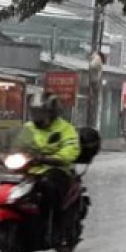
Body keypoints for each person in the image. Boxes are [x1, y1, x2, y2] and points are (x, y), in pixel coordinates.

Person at [16, 93, 81, 242]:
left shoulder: (65, 129)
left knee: (48, 188)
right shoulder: (28, 128)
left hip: (57, 171)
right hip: (31, 171)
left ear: (52, 113)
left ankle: (57, 230)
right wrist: (2, 155)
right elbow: (16, 145)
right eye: (35, 111)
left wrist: (50, 159)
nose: (37, 115)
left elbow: (70, 149)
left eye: (41, 112)